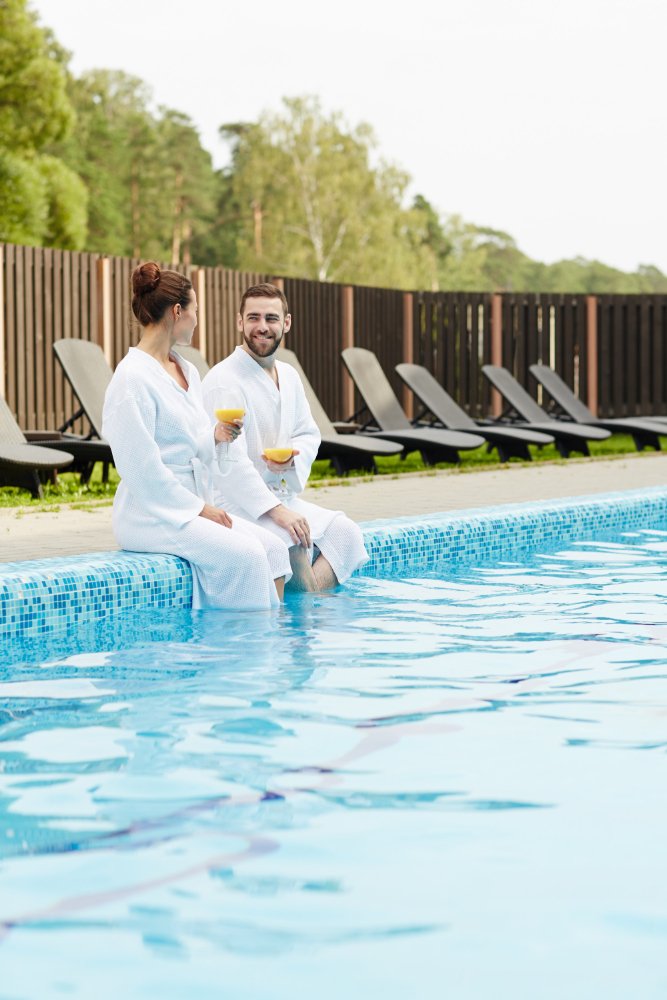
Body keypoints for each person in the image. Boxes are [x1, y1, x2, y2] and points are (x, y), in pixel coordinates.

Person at [102, 263, 291, 611]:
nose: (197, 320)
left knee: (276, 550)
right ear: (178, 312)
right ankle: (241, 639)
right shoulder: (131, 379)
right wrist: (199, 509)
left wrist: (216, 436)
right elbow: (141, 471)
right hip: (150, 514)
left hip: (193, 504)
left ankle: (269, 637)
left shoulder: (186, 369)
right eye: (196, 311)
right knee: (248, 556)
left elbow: (190, 445)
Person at [201, 282, 368, 591]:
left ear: (286, 323)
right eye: (253, 318)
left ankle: (308, 604)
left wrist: (290, 462)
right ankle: (307, 614)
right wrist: (277, 512)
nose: (262, 327)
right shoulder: (224, 380)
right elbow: (229, 465)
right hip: (238, 504)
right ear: (239, 322)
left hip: (281, 495)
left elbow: (308, 433)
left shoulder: (289, 376)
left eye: (271, 318)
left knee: (347, 534)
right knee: (293, 540)